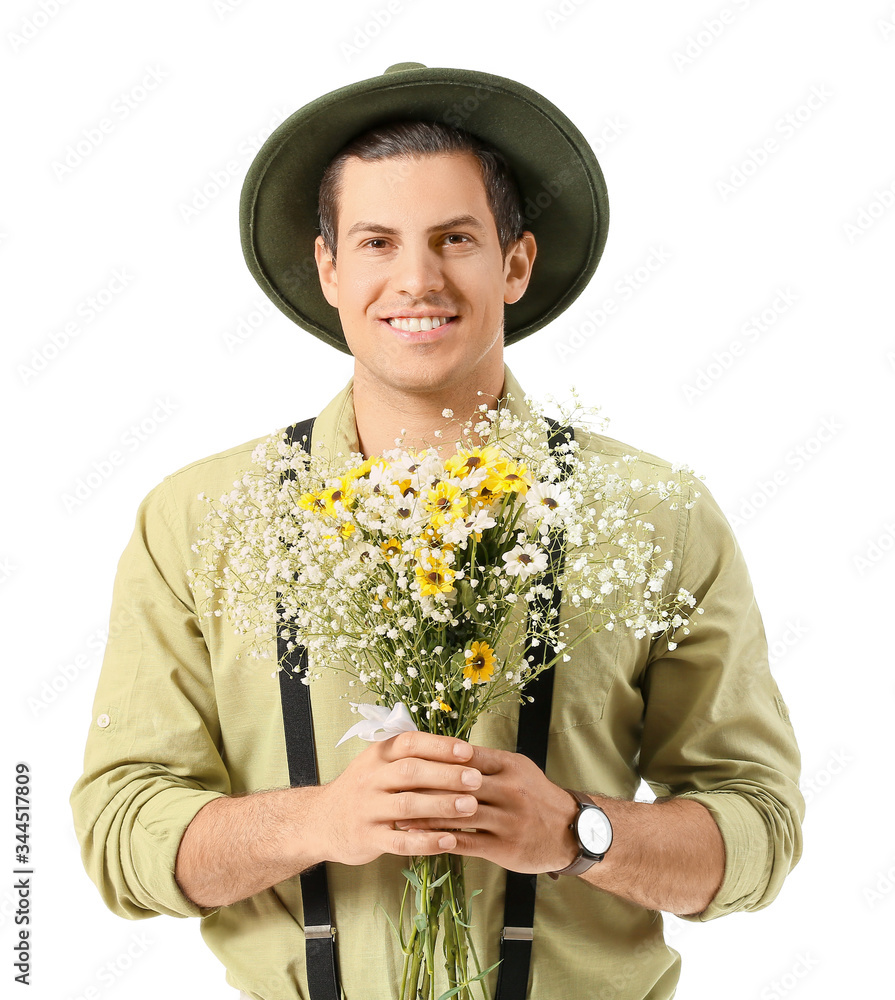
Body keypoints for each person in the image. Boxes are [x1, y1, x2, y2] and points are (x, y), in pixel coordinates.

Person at [71, 62, 804, 999]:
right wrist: (322, 822)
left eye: (455, 239)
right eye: (375, 241)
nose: (415, 279)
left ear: (515, 263)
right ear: (328, 267)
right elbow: (119, 835)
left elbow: (759, 830)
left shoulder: (658, 513)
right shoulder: (198, 517)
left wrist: (578, 833)